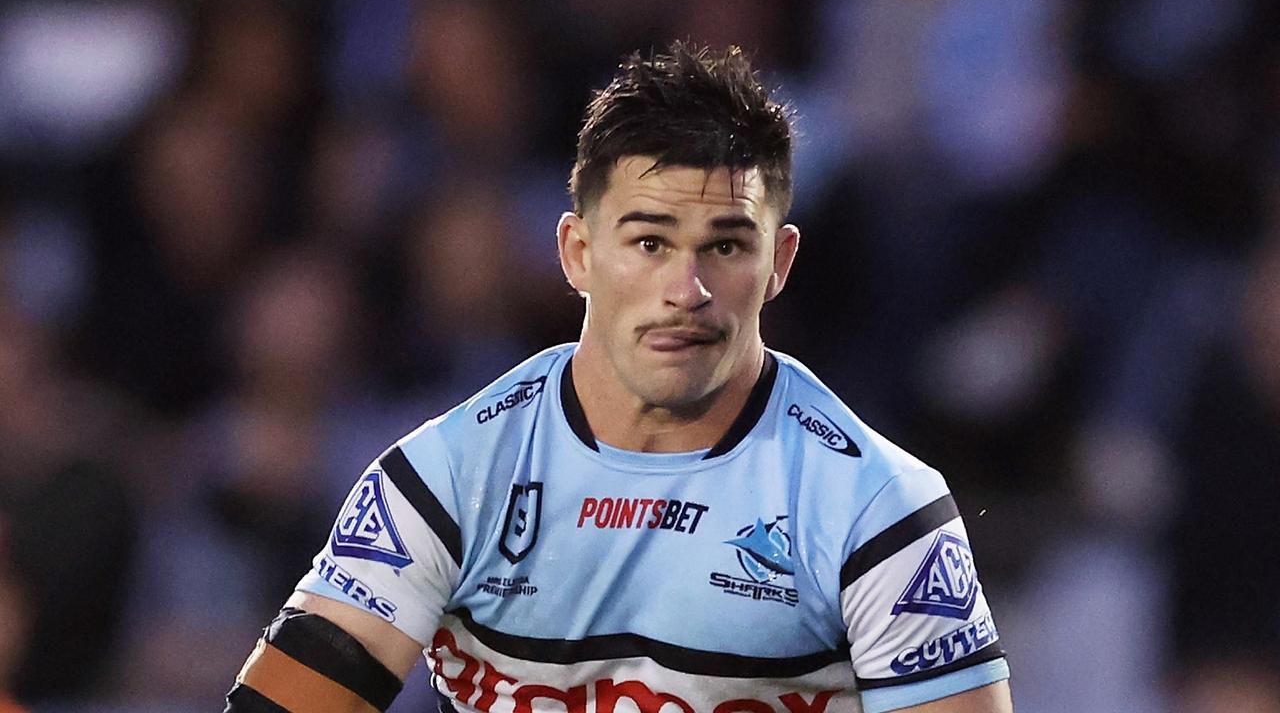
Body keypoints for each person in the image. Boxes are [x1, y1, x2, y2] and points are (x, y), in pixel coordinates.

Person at [225, 42, 1013, 713]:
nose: (687, 289)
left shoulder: (877, 512)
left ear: (781, 262)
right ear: (576, 252)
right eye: (649, 242)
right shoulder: (448, 478)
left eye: (728, 246)